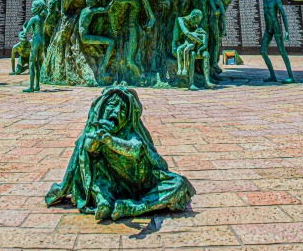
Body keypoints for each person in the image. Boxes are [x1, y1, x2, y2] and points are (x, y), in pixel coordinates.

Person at [45, 85, 195, 221]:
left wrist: (110, 140)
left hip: (141, 186)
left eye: (122, 109)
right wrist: (99, 136)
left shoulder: (130, 132)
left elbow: (135, 149)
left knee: (179, 185)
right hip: (112, 184)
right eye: (111, 105)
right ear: (102, 109)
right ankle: (103, 198)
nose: (117, 112)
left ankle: (136, 207)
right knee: (88, 154)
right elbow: (88, 148)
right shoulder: (97, 131)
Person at [233, 0, 295, 83]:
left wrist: (287, 31)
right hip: (268, 27)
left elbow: (283, 14)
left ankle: (291, 77)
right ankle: (272, 75)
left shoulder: (276, 0)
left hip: (276, 27)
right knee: (263, 51)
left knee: (282, 51)